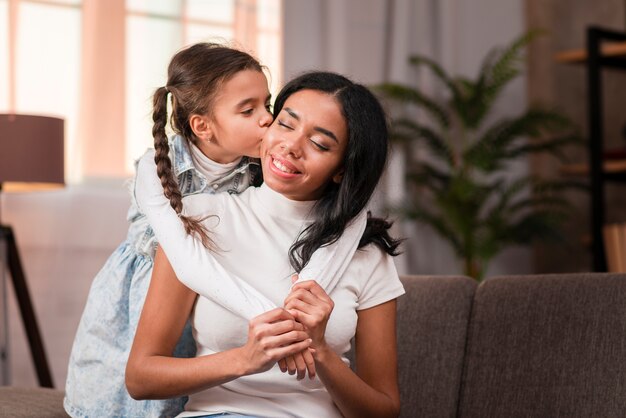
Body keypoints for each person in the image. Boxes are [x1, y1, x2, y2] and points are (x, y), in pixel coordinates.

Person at [127, 71, 405, 417]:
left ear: (341, 170)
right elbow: (140, 377)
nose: (291, 146)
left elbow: (384, 411)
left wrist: (319, 350)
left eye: (319, 144)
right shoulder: (199, 221)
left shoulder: (365, 253)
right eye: (285, 125)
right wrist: (245, 359)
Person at [64, 42, 273, 418]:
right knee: (123, 391)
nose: (268, 119)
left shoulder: (260, 175)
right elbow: (183, 258)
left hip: (212, 299)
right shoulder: (157, 168)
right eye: (249, 110)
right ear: (202, 126)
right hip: (152, 295)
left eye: (267, 104)